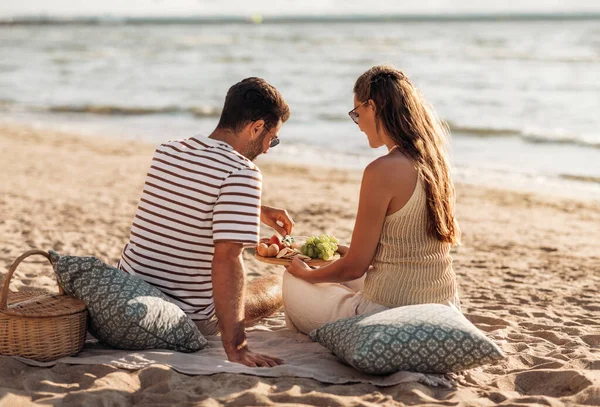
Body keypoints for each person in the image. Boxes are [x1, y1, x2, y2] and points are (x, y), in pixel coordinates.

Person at [118, 77, 294, 367]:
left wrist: (257, 209)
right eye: (272, 139)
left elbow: (188, 195)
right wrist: (237, 347)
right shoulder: (243, 172)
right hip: (188, 316)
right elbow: (227, 260)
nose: (267, 149)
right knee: (277, 285)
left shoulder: (168, 151)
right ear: (257, 127)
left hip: (130, 292)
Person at [283, 65, 461, 334]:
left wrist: (306, 275)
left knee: (291, 281)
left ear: (373, 106)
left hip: (386, 313)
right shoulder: (435, 163)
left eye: (356, 113)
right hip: (443, 305)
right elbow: (402, 249)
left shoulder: (381, 170)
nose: (358, 124)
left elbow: (353, 269)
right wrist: (342, 250)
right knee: (330, 276)